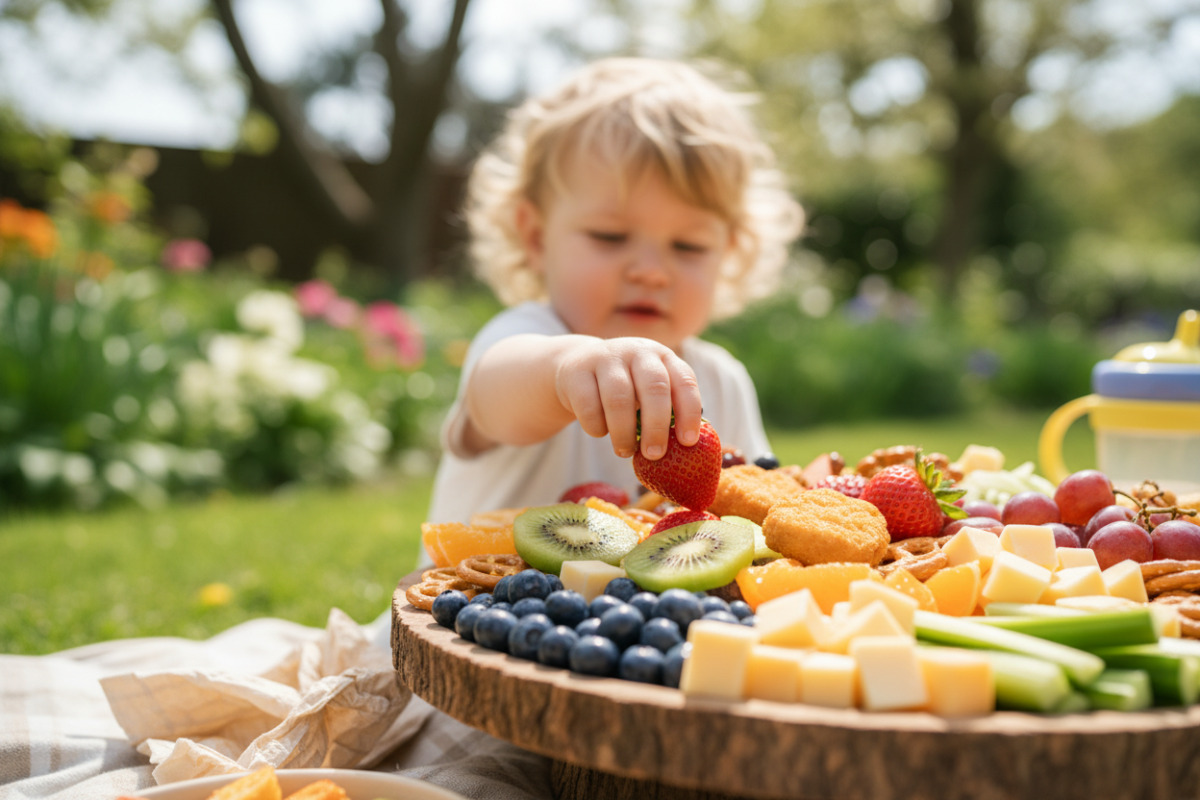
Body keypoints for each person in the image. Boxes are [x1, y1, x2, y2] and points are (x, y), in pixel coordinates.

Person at [423, 57, 803, 563]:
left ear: (729, 251)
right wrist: (565, 370)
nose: (651, 270)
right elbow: (495, 401)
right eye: (610, 236)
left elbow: (751, 513)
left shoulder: (720, 382)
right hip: (470, 628)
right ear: (536, 237)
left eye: (688, 246)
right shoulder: (526, 337)